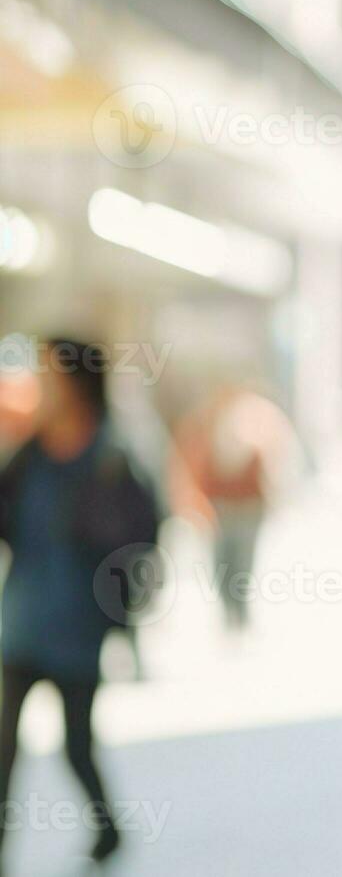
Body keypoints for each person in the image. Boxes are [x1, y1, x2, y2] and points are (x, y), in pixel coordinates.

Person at [0, 339, 161, 866]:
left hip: (78, 627)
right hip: (22, 620)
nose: (41, 383)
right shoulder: (29, 453)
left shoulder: (112, 455)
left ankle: (107, 827)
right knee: (3, 747)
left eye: (49, 372)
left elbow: (142, 537)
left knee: (75, 745)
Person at [172, 384, 295, 632]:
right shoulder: (205, 425)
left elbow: (274, 464)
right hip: (220, 508)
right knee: (222, 562)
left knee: (243, 562)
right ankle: (229, 611)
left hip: (248, 508)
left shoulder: (257, 422)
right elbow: (192, 465)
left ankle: (239, 612)